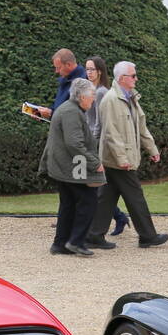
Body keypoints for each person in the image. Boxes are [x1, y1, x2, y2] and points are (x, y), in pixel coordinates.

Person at [84, 61, 168, 249]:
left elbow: (141, 126)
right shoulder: (111, 100)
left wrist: (152, 149)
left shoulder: (130, 98)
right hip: (118, 160)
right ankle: (147, 235)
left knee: (106, 198)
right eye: (133, 75)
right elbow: (110, 133)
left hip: (118, 159)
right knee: (135, 197)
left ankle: (94, 235)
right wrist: (122, 159)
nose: (136, 78)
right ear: (122, 78)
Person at [39, 77, 104, 257]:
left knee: (68, 204)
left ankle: (60, 244)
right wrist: (95, 163)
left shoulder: (71, 109)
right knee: (88, 200)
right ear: (81, 97)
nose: (94, 98)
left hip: (65, 165)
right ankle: (76, 242)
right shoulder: (71, 112)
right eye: (91, 95)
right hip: (68, 166)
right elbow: (74, 144)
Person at [84, 54, 129, 237]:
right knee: (93, 187)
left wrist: (91, 142)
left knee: (94, 186)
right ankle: (117, 217)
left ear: (99, 71)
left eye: (91, 69)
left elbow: (100, 121)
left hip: (97, 142)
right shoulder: (90, 89)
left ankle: (116, 217)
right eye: (86, 69)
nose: (88, 72)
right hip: (89, 139)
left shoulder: (101, 92)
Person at [37, 49, 86, 118]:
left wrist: (51, 113)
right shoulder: (65, 79)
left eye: (59, 68)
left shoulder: (83, 82)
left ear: (68, 64)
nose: (56, 71)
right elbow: (59, 107)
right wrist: (46, 113)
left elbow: (74, 114)